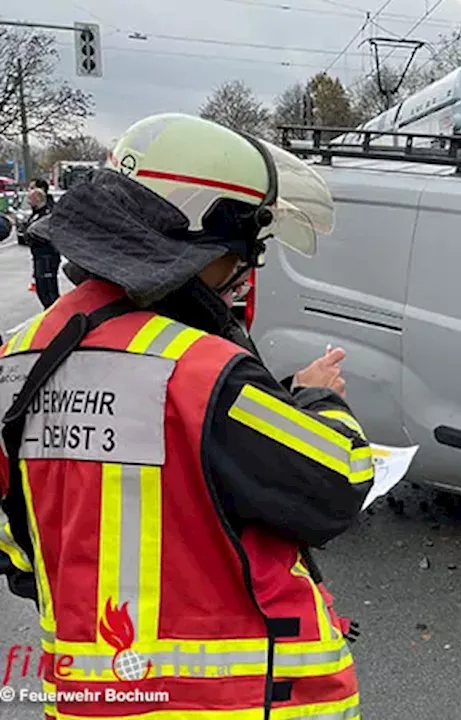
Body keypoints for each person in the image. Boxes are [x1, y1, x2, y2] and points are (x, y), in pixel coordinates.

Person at [0, 113, 368, 719]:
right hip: (235, 704)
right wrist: (322, 399)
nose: (243, 273)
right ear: (197, 233)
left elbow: (20, 549)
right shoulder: (200, 369)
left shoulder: (19, 358)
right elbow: (337, 482)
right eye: (243, 251)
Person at [20, 181, 60, 308]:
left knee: (48, 291)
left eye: (30, 199)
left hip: (47, 256)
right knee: (42, 290)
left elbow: (44, 234)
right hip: (38, 256)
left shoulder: (47, 214)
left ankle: (56, 317)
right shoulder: (35, 214)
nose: (28, 202)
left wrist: (32, 235)